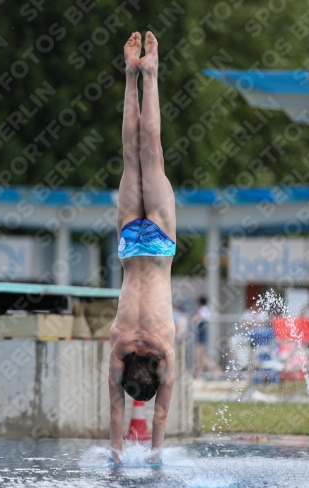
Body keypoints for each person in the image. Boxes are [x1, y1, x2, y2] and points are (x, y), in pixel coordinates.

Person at [108, 31, 176, 464]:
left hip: (160, 246)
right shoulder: (117, 345)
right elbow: (115, 408)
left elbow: (162, 412)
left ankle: (149, 74)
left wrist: (155, 452)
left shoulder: (165, 349)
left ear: (153, 371)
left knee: (149, 152)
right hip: (132, 246)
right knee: (133, 155)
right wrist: (115, 453)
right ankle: (133, 77)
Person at [191, 296, 220, 378]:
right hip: (200, 335)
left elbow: (197, 317)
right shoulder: (203, 310)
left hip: (201, 335)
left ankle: (201, 373)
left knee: (199, 356)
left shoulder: (204, 309)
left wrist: (193, 318)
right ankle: (213, 368)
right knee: (200, 357)